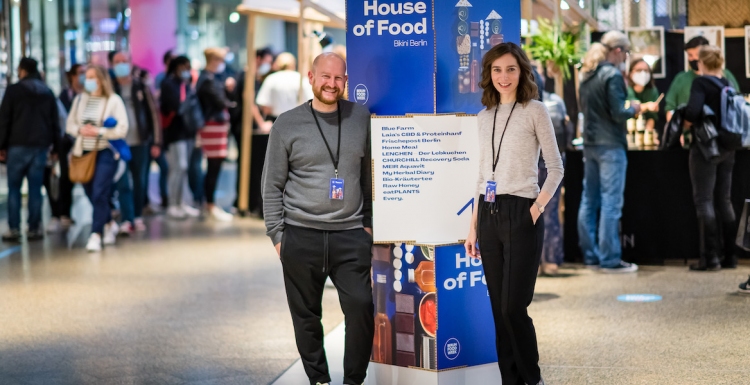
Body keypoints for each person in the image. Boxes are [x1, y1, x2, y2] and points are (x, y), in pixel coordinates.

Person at [262, 52, 374, 385]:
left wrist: (367, 224)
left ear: (346, 82)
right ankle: (319, 380)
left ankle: (354, 380)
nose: (332, 84)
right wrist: (278, 236)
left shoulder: (360, 117)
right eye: (325, 76)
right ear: (311, 78)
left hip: (350, 233)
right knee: (307, 317)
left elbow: (369, 177)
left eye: (339, 78)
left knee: (361, 307)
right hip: (301, 234)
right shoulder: (287, 123)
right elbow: (271, 186)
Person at [463, 43, 562, 385]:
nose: (504, 77)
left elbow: (556, 168)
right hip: (489, 214)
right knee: (497, 311)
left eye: (510, 69)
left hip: (522, 212)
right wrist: (473, 228)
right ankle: (510, 380)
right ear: (489, 75)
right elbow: (481, 176)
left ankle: (531, 379)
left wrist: (535, 208)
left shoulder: (535, 110)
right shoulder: (483, 117)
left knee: (512, 308)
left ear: (522, 72)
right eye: (497, 70)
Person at [577, 31, 657, 273]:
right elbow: (617, 113)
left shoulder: (586, 74)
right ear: (618, 51)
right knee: (611, 203)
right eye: (626, 52)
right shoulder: (611, 74)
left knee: (589, 200)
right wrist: (633, 108)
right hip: (610, 145)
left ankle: (591, 255)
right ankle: (610, 259)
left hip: (589, 144)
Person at [683, 45, 741, 271]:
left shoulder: (701, 83)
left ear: (701, 63)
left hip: (706, 148)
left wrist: (686, 120)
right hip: (728, 147)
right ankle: (731, 257)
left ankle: (710, 259)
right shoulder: (727, 83)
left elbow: (692, 112)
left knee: (704, 201)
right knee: (724, 200)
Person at [66, 65, 129, 252]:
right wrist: (80, 130)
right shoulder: (79, 100)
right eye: (88, 76)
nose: (89, 80)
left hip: (106, 151)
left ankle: (96, 234)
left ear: (101, 80)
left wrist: (99, 132)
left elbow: (122, 129)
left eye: (93, 77)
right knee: (90, 191)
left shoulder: (113, 101)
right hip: (83, 152)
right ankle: (109, 222)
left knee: (99, 192)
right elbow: (70, 124)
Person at [0, 57, 60, 242]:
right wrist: (55, 147)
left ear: (22, 70)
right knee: (35, 188)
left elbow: (4, 120)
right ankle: (34, 228)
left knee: (14, 188)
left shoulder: (13, 91)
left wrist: (1, 145)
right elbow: (54, 122)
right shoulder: (46, 91)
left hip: (17, 145)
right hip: (40, 146)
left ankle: (14, 228)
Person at [111, 51, 162, 233]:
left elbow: (153, 114)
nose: (121, 65)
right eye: (117, 62)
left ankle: (137, 215)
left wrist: (156, 141)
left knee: (140, 180)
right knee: (122, 182)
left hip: (140, 142)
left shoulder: (140, 86)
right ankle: (127, 218)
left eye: (125, 61)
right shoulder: (110, 88)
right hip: (118, 144)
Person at [229, 48, 275, 217]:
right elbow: (249, 101)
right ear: (258, 58)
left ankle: (247, 202)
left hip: (250, 128)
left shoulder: (255, 77)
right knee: (245, 165)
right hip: (243, 128)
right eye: (266, 60)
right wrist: (261, 122)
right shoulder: (246, 75)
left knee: (251, 165)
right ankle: (242, 202)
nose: (268, 64)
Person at [161, 55, 203, 219]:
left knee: (184, 169)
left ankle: (182, 203)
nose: (186, 71)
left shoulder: (185, 84)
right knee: (179, 167)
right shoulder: (168, 84)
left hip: (188, 132)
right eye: (184, 67)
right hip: (174, 132)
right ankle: (172, 204)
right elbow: (172, 107)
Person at [196, 47, 235, 221]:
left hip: (216, 125)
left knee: (215, 165)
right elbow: (219, 102)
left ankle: (209, 203)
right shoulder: (207, 79)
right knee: (214, 165)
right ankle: (210, 204)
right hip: (212, 125)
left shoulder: (209, 78)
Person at [45, 64, 84, 232]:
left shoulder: (89, 96)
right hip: (66, 144)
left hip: (86, 142)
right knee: (65, 179)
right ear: (72, 76)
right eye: (80, 73)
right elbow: (61, 122)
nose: (83, 77)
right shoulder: (63, 96)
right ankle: (62, 213)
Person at [665, 36, 740, 122]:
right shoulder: (681, 78)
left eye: (697, 55)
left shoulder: (725, 76)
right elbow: (670, 108)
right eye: (690, 55)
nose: (694, 59)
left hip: (717, 132)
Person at [256, 52, 314, 120]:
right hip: (297, 119)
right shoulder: (301, 80)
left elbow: (264, 105)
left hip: (276, 120)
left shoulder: (271, 79)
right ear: (293, 64)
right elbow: (310, 102)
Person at [627, 58, 661, 134]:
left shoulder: (652, 90)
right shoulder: (626, 89)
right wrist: (647, 106)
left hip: (642, 130)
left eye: (646, 71)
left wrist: (648, 134)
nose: (643, 73)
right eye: (639, 70)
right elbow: (631, 107)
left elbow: (651, 117)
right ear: (631, 73)